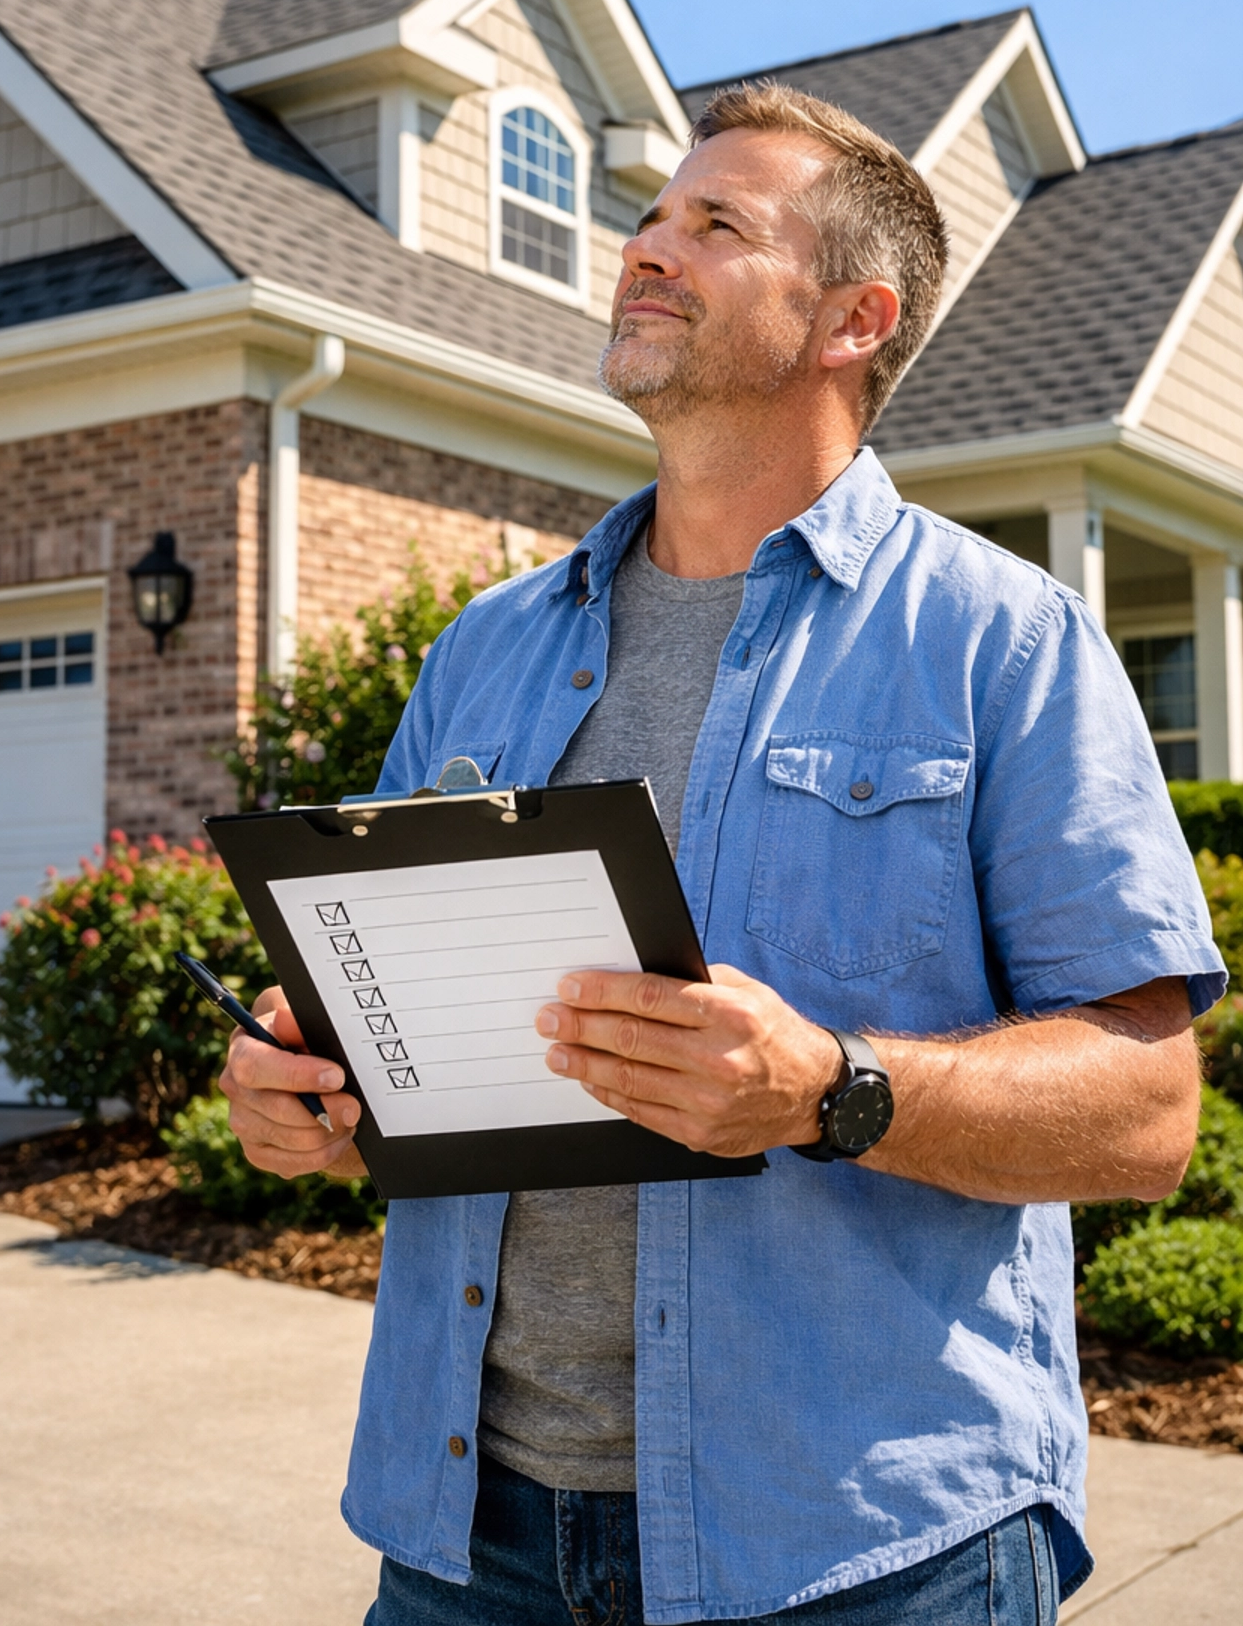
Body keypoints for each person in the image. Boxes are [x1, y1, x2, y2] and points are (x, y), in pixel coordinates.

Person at [222, 83, 1224, 1626]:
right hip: (466, 1540)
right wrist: (304, 1093)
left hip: (859, 1549)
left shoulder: (1001, 643)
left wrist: (834, 1091)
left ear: (850, 318)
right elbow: (395, 1049)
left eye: (716, 224)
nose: (645, 248)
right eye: (647, 216)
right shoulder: (486, 652)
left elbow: (1149, 1110)